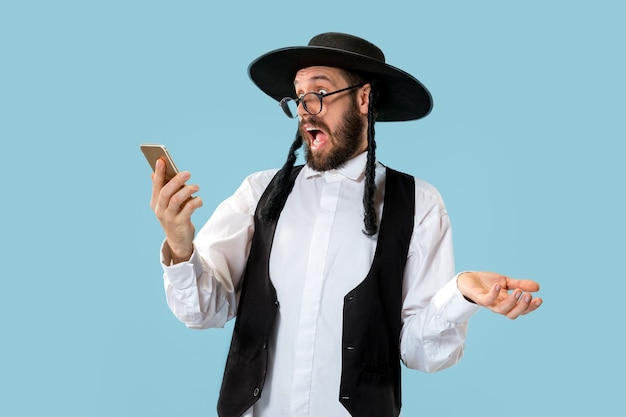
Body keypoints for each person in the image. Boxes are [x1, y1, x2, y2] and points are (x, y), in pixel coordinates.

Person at [150, 32, 543, 417]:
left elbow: (421, 354)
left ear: (364, 98)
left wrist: (460, 294)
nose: (305, 108)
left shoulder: (418, 203)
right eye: (298, 96)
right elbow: (203, 312)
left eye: (319, 92)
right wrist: (182, 246)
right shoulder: (259, 194)